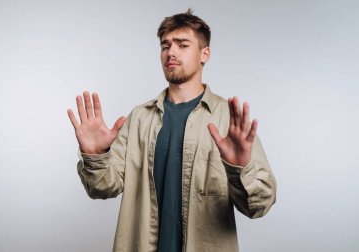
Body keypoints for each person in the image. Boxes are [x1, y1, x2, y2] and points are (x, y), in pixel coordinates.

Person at [67, 9, 276, 252]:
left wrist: (241, 169)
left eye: (183, 45)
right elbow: (102, 188)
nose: (171, 52)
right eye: (165, 45)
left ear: (204, 54)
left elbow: (259, 205)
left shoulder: (228, 118)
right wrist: (96, 156)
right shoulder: (139, 118)